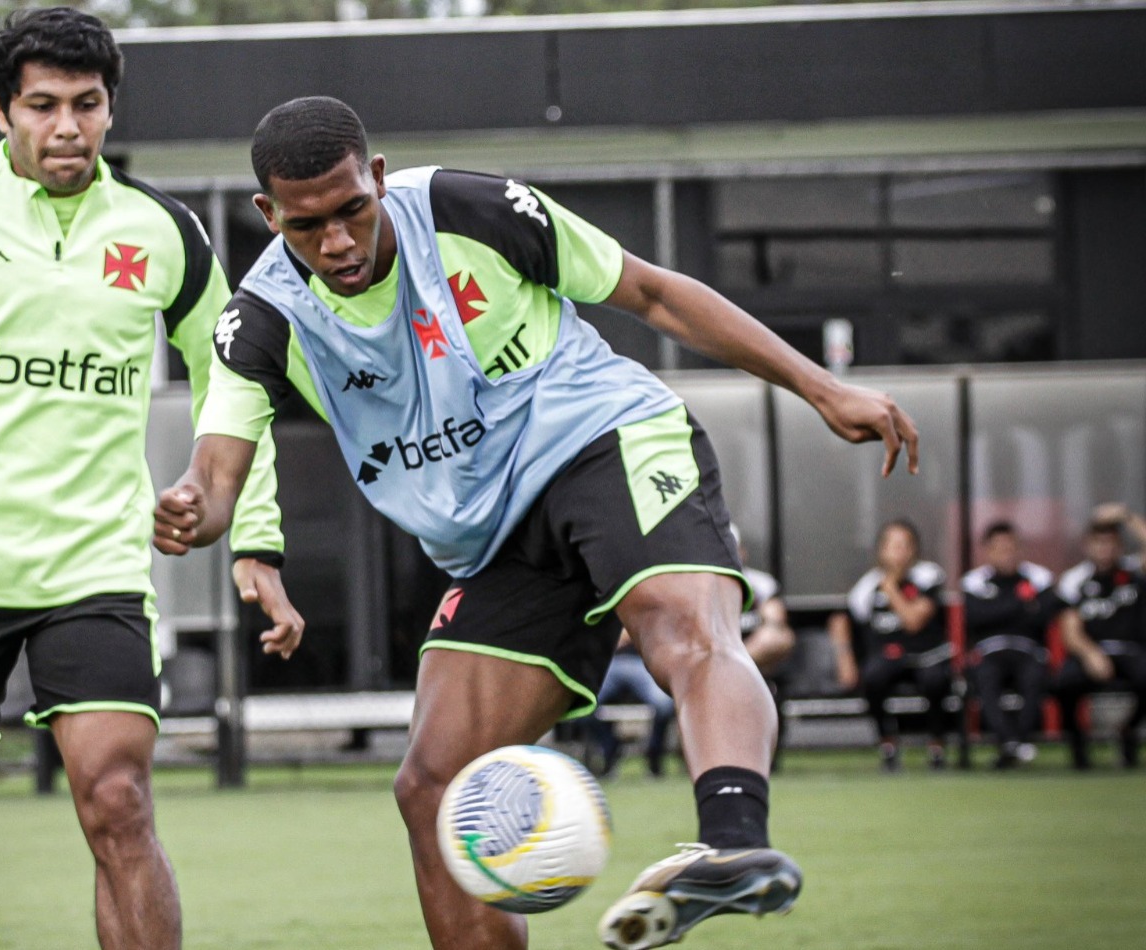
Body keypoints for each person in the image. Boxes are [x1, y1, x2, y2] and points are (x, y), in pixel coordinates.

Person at [154, 97, 921, 950]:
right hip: (491, 542)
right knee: (431, 787)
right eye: (306, 227)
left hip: (600, 441)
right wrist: (194, 506)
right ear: (268, 215)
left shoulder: (467, 209)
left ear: (376, 178)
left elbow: (654, 293)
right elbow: (216, 472)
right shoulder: (259, 319)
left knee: (683, 633)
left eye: (351, 212)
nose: (336, 242)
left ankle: (734, 847)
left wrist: (823, 386)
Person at [0, 11, 297, 950]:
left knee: (117, 802)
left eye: (87, 104)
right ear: (1, 111)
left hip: (96, 571)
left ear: (111, 108)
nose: (67, 127)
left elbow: (237, 380)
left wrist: (247, 525)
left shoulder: (163, 231)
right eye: (42, 106)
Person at [828, 520, 953, 772]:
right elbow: (840, 620)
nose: (900, 552)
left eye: (906, 545)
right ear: (881, 551)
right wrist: (845, 660)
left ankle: (936, 744)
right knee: (873, 677)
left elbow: (914, 621)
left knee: (935, 680)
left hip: (927, 655)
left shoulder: (928, 576)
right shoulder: (867, 585)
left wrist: (890, 588)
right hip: (887, 655)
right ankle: (887, 743)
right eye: (894, 546)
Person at [1052, 508, 1146, 769]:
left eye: (1111, 542)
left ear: (1119, 545)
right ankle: (1078, 745)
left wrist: (1126, 516)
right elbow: (1070, 629)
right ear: (1088, 545)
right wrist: (1090, 654)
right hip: (1090, 650)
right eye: (1099, 542)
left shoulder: (1132, 571)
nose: (1105, 548)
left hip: (1130, 650)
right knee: (1063, 683)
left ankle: (1129, 730)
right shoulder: (1075, 579)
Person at [960, 521, 1057, 768]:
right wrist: (1021, 602)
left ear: (1020, 548)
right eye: (999, 548)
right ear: (988, 551)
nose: (1006, 553)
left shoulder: (1039, 577)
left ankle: (1019, 740)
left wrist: (1000, 609)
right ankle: (1009, 742)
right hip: (990, 650)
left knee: (1035, 676)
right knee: (985, 676)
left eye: (1011, 547)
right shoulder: (974, 581)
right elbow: (976, 617)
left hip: (1028, 650)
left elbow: (1044, 616)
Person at [735, 528, 795, 769]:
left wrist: (738, 659)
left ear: (742, 552)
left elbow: (777, 627)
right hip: (712, 663)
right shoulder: (700, 585)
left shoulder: (760, 584)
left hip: (754, 663)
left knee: (778, 637)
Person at [585, 633, 675, 779]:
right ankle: (610, 747)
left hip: (641, 661)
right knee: (582, 704)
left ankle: (654, 752)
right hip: (608, 662)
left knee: (664, 703)